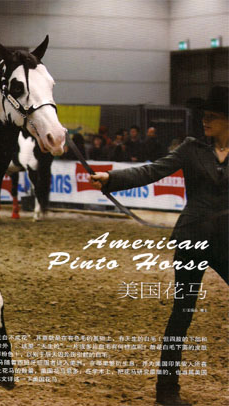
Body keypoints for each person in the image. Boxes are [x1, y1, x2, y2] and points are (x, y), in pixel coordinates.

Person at [90, 86, 228, 406]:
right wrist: (111, 179)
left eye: (212, 116)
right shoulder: (191, 148)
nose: (204, 120)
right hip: (192, 240)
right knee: (182, 313)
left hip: (227, 241)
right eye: (203, 115)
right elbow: (152, 171)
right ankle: (166, 391)